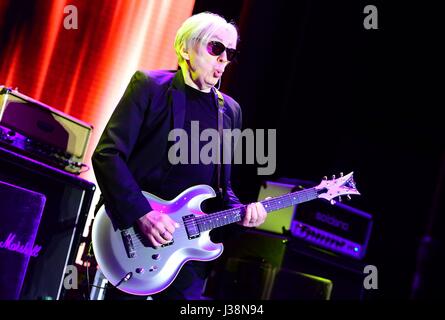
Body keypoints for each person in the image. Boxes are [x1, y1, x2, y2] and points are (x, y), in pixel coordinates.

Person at [92, 11, 267, 300]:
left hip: (189, 250)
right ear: (186, 47)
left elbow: (222, 186)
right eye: (216, 48)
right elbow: (108, 154)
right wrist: (142, 214)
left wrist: (243, 213)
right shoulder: (150, 86)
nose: (224, 59)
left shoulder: (230, 111)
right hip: (134, 237)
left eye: (231, 53)